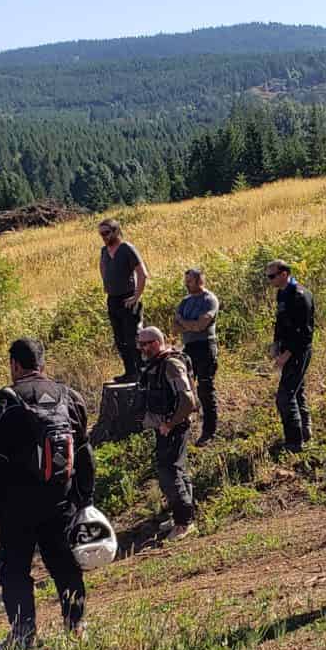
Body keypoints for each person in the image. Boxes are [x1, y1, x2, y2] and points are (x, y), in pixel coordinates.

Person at [0, 337, 96, 650]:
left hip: (17, 505)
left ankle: (23, 634)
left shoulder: (5, 401)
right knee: (64, 564)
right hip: (62, 497)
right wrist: (86, 499)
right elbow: (84, 454)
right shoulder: (69, 396)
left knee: (14, 569)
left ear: (15, 365)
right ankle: (76, 626)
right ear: (42, 364)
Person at [137, 326, 199, 539]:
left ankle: (184, 523)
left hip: (174, 426)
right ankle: (184, 514)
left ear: (157, 342)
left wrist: (171, 423)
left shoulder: (171, 364)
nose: (143, 348)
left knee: (169, 472)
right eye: (140, 344)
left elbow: (188, 401)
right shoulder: (156, 364)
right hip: (164, 426)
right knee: (176, 470)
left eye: (146, 344)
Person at [266, 259, 315, 453]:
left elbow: (305, 333)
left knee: (285, 397)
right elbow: (281, 322)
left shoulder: (300, 296)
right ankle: (305, 431)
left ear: (284, 273)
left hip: (298, 352)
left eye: (272, 276)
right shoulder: (282, 294)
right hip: (287, 349)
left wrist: (287, 354)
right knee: (297, 391)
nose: (270, 280)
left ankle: (294, 443)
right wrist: (276, 343)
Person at [175, 267, 222, 445]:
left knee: (205, 389)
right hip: (188, 347)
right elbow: (175, 327)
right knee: (184, 387)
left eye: (190, 281)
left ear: (200, 281)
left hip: (205, 347)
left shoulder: (209, 300)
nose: (186, 284)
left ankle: (209, 431)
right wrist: (190, 325)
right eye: (185, 280)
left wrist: (185, 323)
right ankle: (183, 426)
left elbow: (201, 326)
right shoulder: (185, 301)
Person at [99, 218, 148, 381]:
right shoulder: (104, 251)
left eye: (106, 233)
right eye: (101, 234)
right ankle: (129, 373)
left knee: (133, 338)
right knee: (120, 340)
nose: (103, 236)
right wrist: (106, 284)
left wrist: (136, 296)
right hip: (113, 299)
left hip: (128, 299)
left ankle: (141, 373)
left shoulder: (127, 248)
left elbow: (142, 273)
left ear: (115, 231)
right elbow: (103, 269)